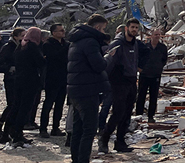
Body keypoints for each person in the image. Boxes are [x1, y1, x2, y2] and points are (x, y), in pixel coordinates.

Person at [68, 14, 110, 163]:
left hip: (76, 89)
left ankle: (76, 159)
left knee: (78, 129)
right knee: (89, 129)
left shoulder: (76, 40)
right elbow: (98, 65)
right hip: (88, 89)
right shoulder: (91, 42)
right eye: (103, 29)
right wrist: (107, 57)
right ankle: (83, 159)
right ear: (97, 27)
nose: (104, 32)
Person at [98, 18, 141, 154]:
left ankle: (120, 142)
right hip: (118, 82)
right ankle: (104, 140)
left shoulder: (135, 44)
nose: (134, 30)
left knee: (127, 113)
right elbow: (108, 63)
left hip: (131, 81)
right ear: (126, 28)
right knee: (118, 113)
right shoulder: (118, 44)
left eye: (136, 27)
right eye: (132, 27)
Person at [9, 27, 46, 147]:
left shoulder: (21, 45)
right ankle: (18, 134)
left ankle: (9, 131)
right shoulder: (33, 47)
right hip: (30, 81)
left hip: (19, 79)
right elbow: (40, 62)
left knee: (17, 106)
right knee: (25, 108)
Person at [0, 28, 26, 142]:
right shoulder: (8, 47)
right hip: (11, 80)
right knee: (12, 104)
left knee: (16, 105)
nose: (24, 38)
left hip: (20, 80)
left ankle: (11, 129)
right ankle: (1, 127)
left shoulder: (23, 47)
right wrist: (11, 68)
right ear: (15, 37)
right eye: (22, 35)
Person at [39, 23, 69, 138]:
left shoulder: (66, 44)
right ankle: (43, 128)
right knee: (48, 103)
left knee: (60, 104)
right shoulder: (48, 44)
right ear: (54, 33)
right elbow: (53, 57)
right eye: (60, 30)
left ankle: (55, 128)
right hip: (52, 77)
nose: (63, 32)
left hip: (63, 77)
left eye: (63, 30)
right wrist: (64, 50)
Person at [136, 29, 168, 123]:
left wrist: (159, 68)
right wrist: (140, 67)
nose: (157, 36)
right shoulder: (145, 46)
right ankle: (139, 115)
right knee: (141, 95)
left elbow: (164, 59)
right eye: (155, 34)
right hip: (144, 74)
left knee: (153, 97)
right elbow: (139, 57)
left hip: (156, 75)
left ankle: (151, 116)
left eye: (159, 34)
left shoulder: (162, 47)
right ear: (151, 35)